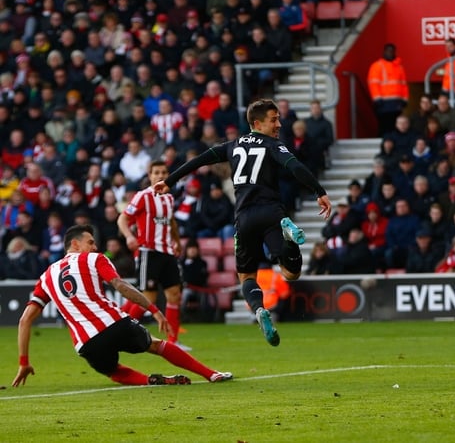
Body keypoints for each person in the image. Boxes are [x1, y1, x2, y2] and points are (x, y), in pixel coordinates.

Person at [153, 98, 332, 347]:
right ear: (257, 123)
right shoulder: (273, 145)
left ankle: (259, 310)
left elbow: (199, 161)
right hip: (272, 214)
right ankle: (289, 240)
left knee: (247, 276)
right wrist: (319, 191)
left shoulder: (231, 145)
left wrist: (169, 181)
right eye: (274, 120)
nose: (279, 124)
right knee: (292, 273)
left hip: (244, 218)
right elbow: (295, 167)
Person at [12, 224, 232, 387]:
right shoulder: (94, 259)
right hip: (114, 324)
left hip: (86, 344)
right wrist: (154, 310)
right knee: (157, 345)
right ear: (75, 244)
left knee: (113, 372)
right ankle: (211, 374)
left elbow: (24, 320)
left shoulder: (46, 276)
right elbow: (120, 285)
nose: (95, 246)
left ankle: (149, 381)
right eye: (90, 242)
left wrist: (24, 362)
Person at [117, 161, 190, 350]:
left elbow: (170, 221)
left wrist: (178, 241)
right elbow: (123, 218)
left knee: (174, 295)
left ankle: (174, 341)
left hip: (167, 252)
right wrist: (129, 236)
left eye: (164, 172)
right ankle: (119, 332)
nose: (160, 175)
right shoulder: (143, 196)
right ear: (150, 176)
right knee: (147, 298)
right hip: (148, 252)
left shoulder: (169, 198)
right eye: (156, 172)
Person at [367, 43, 409, 137]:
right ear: (384, 52)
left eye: (392, 51)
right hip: (383, 103)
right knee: (384, 127)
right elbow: (373, 83)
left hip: (396, 103)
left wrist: (405, 99)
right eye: (388, 51)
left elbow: (404, 85)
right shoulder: (377, 66)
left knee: (396, 127)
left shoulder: (399, 67)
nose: (390, 53)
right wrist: (377, 99)